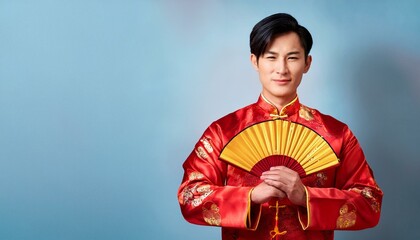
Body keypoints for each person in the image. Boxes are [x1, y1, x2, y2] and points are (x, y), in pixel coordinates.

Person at [177, 13, 382, 240]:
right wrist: (251, 196)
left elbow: (370, 204)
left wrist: (305, 197)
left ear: (307, 63)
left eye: (292, 58)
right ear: (255, 61)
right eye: (271, 57)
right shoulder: (223, 131)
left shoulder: (336, 134)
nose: (281, 69)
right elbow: (189, 196)